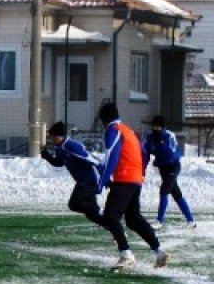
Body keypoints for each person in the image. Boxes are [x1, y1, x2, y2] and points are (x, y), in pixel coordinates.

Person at [96, 102, 169, 270]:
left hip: (125, 178)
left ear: (103, 120)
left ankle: (126, 254)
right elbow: (141, 154)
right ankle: (159, 252)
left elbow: (111, 157)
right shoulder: (127, 130)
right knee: (133, 219)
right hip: (135, 178)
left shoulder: (112, 130)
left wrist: (101, 183)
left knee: (110, 216)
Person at [40, 121, 102, 224]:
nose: (51, 139)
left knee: (75, 204)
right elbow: (59, 162)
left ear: (60, 136)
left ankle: (100, 211)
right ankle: (113, 227)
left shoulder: (71, 145)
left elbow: (92, 160)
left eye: (53, 137)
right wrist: (48, 157)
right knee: (91, 214)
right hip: (82, 181)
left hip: (88, 180)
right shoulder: (60, 148)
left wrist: (105, 177)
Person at [142, 115, 196, 230]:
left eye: (158, 127)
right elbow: (145, 153)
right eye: (154, 126)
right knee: (176, 194)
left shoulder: (169, 135)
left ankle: (159, 221)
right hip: (163, 168)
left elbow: (170, 152)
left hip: (173, 166)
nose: (156, 129)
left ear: (163, 127)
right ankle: (191, 221)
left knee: (164, 190)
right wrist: (143, 169)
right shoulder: (150, 137)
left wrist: (158, 150)